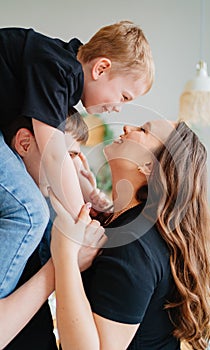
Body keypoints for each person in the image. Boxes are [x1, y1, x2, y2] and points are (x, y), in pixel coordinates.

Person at [0, 20, 154, 298]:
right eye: (124, 96)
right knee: (31, 213)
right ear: (101, 68)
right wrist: (82, 223)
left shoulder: (64, 75)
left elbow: (63, 154)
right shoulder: (57, 68)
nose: (118, 107)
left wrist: (87, 197)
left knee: (47, 211)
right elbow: (54, 155)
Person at [50, 119, 210, 350]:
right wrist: (89, 194)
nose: (127, 127)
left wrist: (64, 257)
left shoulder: (134, 245)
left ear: (149, 165)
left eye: (143, 130)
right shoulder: (131, 223)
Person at [0, 111, 108, 349]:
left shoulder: (47, 211)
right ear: (24, 143)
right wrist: (64, 261)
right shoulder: (18, 219)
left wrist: (87, 194)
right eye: (65, 156)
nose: (71, 170)